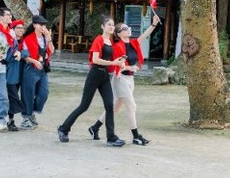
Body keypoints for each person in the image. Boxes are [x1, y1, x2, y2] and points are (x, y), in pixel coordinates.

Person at [89, 15, 160, 145]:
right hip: (119, 78)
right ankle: (136, 136)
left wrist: (153, 24)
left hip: (130, 79)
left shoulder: (133, 43)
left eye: (128, 28)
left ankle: (94, 127)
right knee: (132, 106)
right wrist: (129, 66)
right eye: (125, 28)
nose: (128, 29)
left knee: (115, 108)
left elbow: (145, 35)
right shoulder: (115, 46)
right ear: (119, 33)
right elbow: (115, 64)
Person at [57, 14, 126, 146]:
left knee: (109, 105)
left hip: (105, 75)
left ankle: (111, 137)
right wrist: (113, 63)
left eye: (112, 25)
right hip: (95, 74)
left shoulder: (110, 42)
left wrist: (119, 62)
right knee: (84, 106)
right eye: (109, 25)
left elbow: (111, 59)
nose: (111, 27)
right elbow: (95, 60)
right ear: (102, 27)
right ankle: (63, 128)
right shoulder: (98, 40)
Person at [19, 15, 54, 129]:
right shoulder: (28, 38)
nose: (43, 27)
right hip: (31, 69)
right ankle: (26, 117)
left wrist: (49, 38)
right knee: (28, 94)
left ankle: (32, 113)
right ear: (34, 25)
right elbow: (24, 56)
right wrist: (34, 61)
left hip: (43, 69)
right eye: (41, 24)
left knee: (44, 93)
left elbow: (52, 50)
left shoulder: (45, 38)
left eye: (44, 25)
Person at [4, 19, 28, 131]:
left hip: (21, 73)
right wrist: (15, 52)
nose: (21, 30)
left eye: (22, 28)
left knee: (12, 98)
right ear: (12, 29)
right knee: (13, 97)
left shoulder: (24, 41)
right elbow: (7, 58)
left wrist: (21, 52)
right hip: (10, 73)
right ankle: (11, 120)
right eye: (18, 28)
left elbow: (28, 52)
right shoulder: (9, 41)